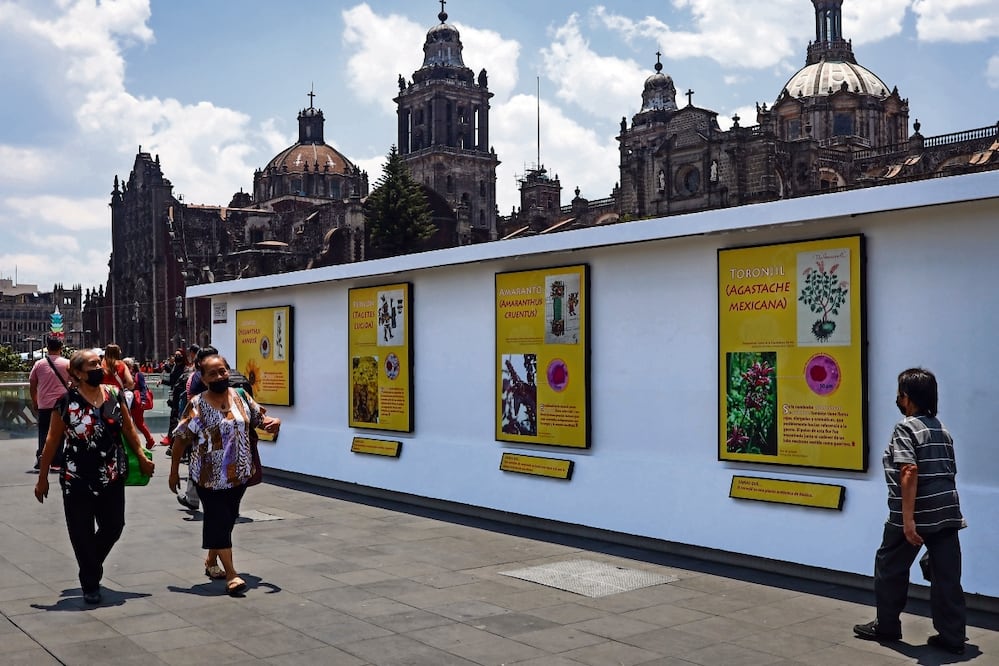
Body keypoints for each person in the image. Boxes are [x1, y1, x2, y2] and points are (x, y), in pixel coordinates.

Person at [854, 368, 967, 655]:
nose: (897, 398)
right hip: (946, 511)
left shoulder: (905, 428)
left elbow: (908, 470)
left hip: (913, 514)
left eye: (900, 393)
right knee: (947, 576)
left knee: (890, 567)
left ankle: (887, 625)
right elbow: (947, 470)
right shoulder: (942, 429)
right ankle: (953, 636)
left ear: (908, 397)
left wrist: (907, 521)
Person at [33, 349, 155, 604]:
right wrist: (42, 477)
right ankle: (90, 584)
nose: (99, 368)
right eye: (92, 365)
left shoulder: (113, 394)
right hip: (76, 477)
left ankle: (90, 567)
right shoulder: (66, 402)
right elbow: (52, 440)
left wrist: (142, 456)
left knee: (114, 525)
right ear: (77, 373)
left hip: (112, 474)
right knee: (81, 532)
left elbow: (128, 428)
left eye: (99, 363)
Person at [169, 353, 279, 595]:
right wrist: (174, 471)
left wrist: (273, 421)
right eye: (213, 373)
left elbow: (259, 419)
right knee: (218, 519)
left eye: (223, 371)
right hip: (208, 476)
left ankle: (211, 561)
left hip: (238, 474)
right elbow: (181, 440)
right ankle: (232, 574)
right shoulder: (197, 404)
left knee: (227, 520)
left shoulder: (240, 396)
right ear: (203, 378)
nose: (219, 376)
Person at [28, 335, 71, 472]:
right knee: (59, 434)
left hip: (44, 404)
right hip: (62, 405)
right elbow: (76, 382)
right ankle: (57, 461)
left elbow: (32, 384)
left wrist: (35, 400)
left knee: (43, 433)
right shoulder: (67, 363)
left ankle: (43, 458)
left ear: (48, 348)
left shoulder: (39, 364)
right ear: (61, 348)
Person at [124, 357, 155, 449]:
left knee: (139, 422)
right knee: (130, 422)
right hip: (127, 400)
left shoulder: (138, 374)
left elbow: (143, 388)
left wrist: (143, 399)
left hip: (136, 401)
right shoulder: (125, 374)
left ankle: (150, 440)